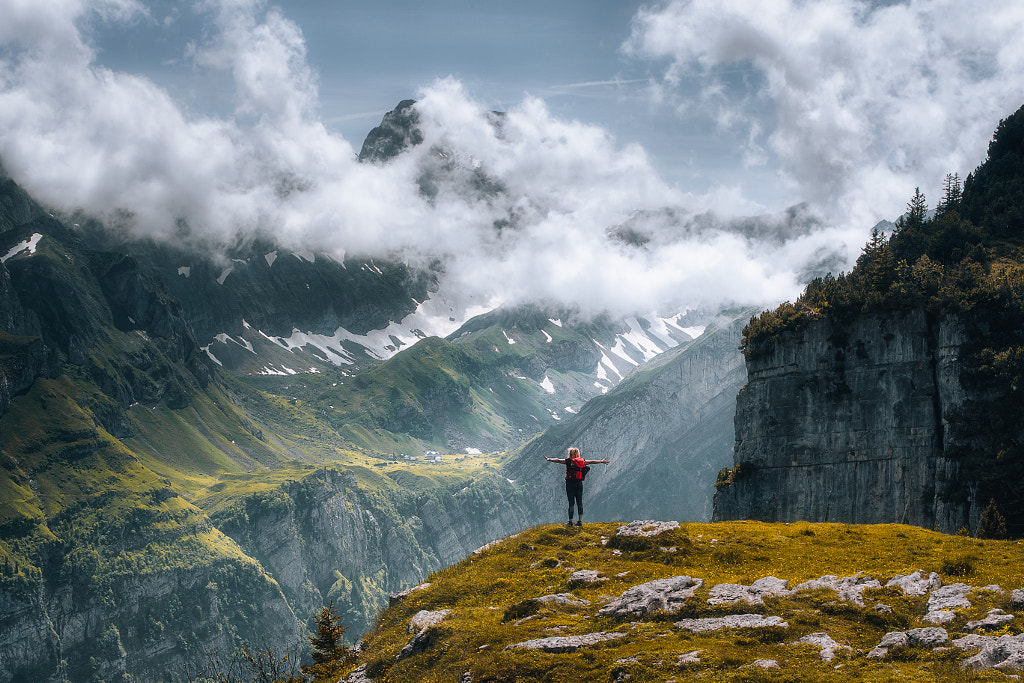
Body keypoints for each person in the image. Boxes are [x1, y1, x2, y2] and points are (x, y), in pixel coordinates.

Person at [544, 447, 609, 527]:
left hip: (570, 484)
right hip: (579, 484)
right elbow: (592, 461)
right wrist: (601, 461)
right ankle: (579, 521)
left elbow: (558, 460)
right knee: (579, 502)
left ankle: (570, 522)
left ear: (570, 454)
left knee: (571, 502)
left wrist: (549, 459)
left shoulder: (568, 461)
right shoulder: (582, 462)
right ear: (578, 454)